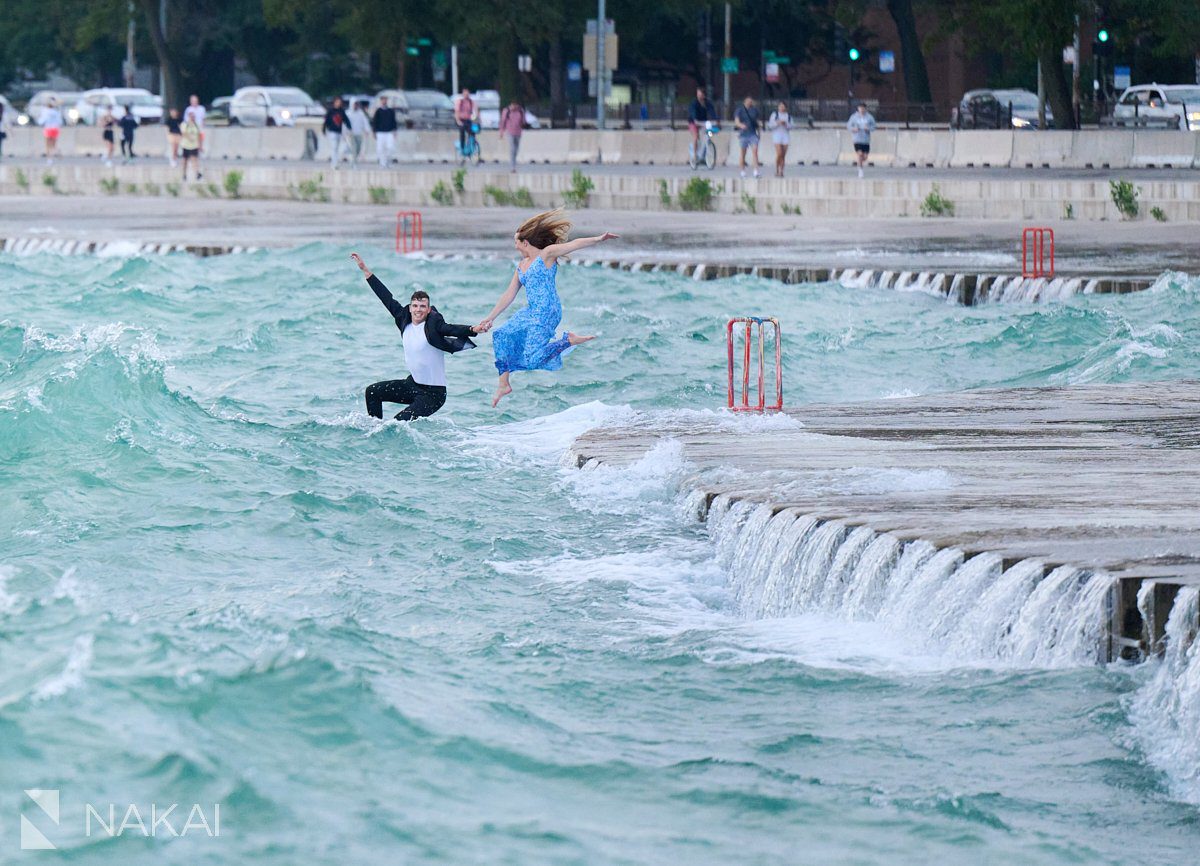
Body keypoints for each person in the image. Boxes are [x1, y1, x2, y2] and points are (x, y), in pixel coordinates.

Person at [477, 209, 617, 408]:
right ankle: (503, 384)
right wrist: (489, 318)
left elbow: (573, 245)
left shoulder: (546, 255)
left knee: (533, 359)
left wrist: (598, 239)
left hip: (547, 312)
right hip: (531, 311)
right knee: (500, 335)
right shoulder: (521, 265)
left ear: (525, 242)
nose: (515, 246)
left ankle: (566, 341)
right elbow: (508, 294)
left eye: (516, 242)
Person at [349, 252, 484, 421]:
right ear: (410, 307)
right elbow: (386, 298)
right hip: (412, 385)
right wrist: (366, 271)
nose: (418, 309)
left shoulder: (433, 325)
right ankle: (373, 432)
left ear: (428, 310)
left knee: (397, 424)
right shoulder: (403, 319)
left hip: (433, 394)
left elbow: (450, 329)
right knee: (372, 391)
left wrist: (473, 329)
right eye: (415, 306)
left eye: (422, 306)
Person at [687, 86, 717, 164]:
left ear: (704, 95)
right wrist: (695, 121)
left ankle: (707, 145)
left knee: (709, 134)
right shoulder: (694, 103)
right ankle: (694, 155)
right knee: (696, 137)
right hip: (693, 122)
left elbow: (712, 112)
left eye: (701, 95)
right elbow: (693, 113)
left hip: (703, 122)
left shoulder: (707, 103)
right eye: (698, 95)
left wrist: (716, 121)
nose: (699, 96)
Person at [733, 95, 761, 178]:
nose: (750, 102)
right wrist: (741, 125)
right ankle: (742, 171)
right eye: (748, 101)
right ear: (745, 102)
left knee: (755, 152)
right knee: (743, 153)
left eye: (751, 101)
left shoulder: (754, 110)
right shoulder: (739, 110)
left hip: (752, 133)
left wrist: (759, 133)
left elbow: (757, 122)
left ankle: (756, 171)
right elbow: (737, 121)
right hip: (743, 134)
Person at [847, 102, 876, 179]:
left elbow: (874, 127)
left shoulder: (869, 117)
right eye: (860, 108)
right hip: (857, 139)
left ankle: (859, 163)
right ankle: (860, 170)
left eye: (863, 108)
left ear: (865, 109)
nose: (862, 110)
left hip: (866, 140)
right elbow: (849, 126)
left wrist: (868, 128)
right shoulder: (854, 117)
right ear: (858, 109)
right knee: (860, 154)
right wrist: (854, 129)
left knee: (865, 157)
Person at [767, 101, 792, 178]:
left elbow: (791, 126)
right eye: (780, 106)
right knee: (779, 153)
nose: (782, 108)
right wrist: (777, 123)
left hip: (785, 136)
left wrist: (786, 124)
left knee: (783, 155)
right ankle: (777, 169)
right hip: (777, 135)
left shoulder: (788, 116)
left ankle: (781, 171)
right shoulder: (775, 115)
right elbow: (770, 125)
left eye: (783, 106)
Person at [499, 100, 525, 172]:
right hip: (509, 132)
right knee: (512, 148)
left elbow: (523, 121)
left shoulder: (520, 111)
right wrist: (501, 131)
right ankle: (513, 166)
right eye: (513, 105)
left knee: (516, 149)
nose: (514, 107)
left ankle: (514, 160)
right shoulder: (506, 111)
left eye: (516, 105)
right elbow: (503, 122)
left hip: (518, 132)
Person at [372, 95, 397, 167]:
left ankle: (388, 161)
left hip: (389, 132)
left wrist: (394, 130)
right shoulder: (378, 111)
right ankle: (382, 163)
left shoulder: (390, 111)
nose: (384, 101)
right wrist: (374, 131)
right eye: (383, 100)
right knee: (380, 148)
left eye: (385, 100)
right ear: (381, 101)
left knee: (390, 147)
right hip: (380, 132)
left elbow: (393, 121)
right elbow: (375, 122)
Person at [323, 97, 349, 168]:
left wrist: (349, 127)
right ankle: (334, 164)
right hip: (332, 131)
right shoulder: (331, 111)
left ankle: (335, 162)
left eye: (339, 102)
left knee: (337, 148)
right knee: (334, 147)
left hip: (338, 132)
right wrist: (324, 129)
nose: (338, 103)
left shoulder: (341, 111)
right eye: (337, 102)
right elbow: (326, 121)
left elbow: (346, 120)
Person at [346, 99, 371, 167]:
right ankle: (354, 164)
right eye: (354, 104)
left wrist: (367, 130)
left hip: (359, 134)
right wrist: (345, 132)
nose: (355, 105)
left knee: (358, 149)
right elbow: (344, 124)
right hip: (351, 134)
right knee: (353, 148)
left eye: (357, 104)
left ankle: (353, 160)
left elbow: (365, 122)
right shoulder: (348, 113)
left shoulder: (361, 113)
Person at [180, 113, 202, 181]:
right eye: (191, 117)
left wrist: (200, 145)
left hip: (194, 145)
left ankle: (197, 173)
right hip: (186, 145)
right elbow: (184, 133)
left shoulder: (197, 125)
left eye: (193, 117)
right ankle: (184, 174)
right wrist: (190, 138)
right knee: (185, 160)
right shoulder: (184, 124)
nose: (192, 118)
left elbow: (199, 135)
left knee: (194, 159)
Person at [454, 88, 476, 156]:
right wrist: (458, 121)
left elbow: (475, 110)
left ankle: (471, 146)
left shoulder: (471, 102)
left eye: (467, 93)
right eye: (465, 94)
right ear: (463, 94)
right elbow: (457, 111)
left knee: (473, 131)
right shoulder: (460, 101)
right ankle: (462, 148)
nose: (466, 95)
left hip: (468, 120)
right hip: (461, 119)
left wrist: (476, 118)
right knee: (462, 131)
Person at [41, 98, 63, 164]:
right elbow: (60, 121)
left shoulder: (45, 111)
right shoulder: (56, 112)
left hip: (48, 128)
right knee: (54, 144)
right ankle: (58, 153)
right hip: (55, 129)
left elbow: (42, 121)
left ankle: (49, 159)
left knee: (47, 145)